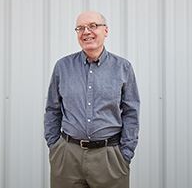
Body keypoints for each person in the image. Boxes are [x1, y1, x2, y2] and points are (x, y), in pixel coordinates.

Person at [44, 11, 140, 188]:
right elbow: (52, 109)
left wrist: (125, 153)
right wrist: (54, 146)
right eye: (80, 28)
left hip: (109, 158)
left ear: (106, 30)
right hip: (67, 157)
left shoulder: (123, 68)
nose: (86, 31)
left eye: (93, 26)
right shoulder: (62, 67)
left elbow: (131, 113)